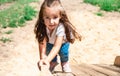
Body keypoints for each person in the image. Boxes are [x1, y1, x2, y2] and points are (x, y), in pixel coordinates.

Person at [34, 0, 81, 73]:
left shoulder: (61, 27)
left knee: (63, 53)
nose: (51, 22)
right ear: (42, 17)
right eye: (47, 17)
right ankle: (53, 62)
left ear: (60, 16)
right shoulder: (42, 26)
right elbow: (42, 42)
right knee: (49, 51)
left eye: (55, 17)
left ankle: (64, 63)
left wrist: (46, 60)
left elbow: (56, 46)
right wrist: (42, 59)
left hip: (62, 43)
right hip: (50, 42)